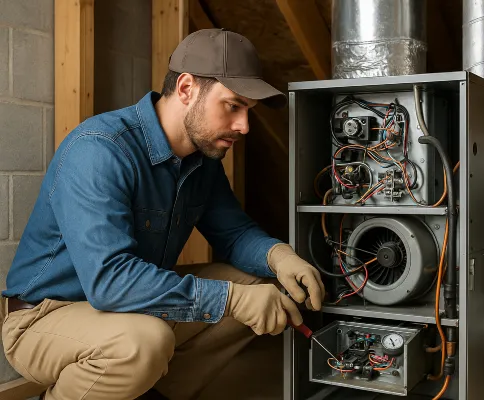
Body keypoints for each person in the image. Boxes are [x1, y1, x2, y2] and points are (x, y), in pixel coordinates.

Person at [0, 28, 325, 400]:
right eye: (233, 106)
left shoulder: (202, 161)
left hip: (129, 308)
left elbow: (233, 234)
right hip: (46, 316)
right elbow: (110, 281)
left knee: (262, 287)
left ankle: (152, 394)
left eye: (248, 112)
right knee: (142, 343)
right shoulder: (100, 149)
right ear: (186, 88)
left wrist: (278, 256)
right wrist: (230, 299)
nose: (244, 126)